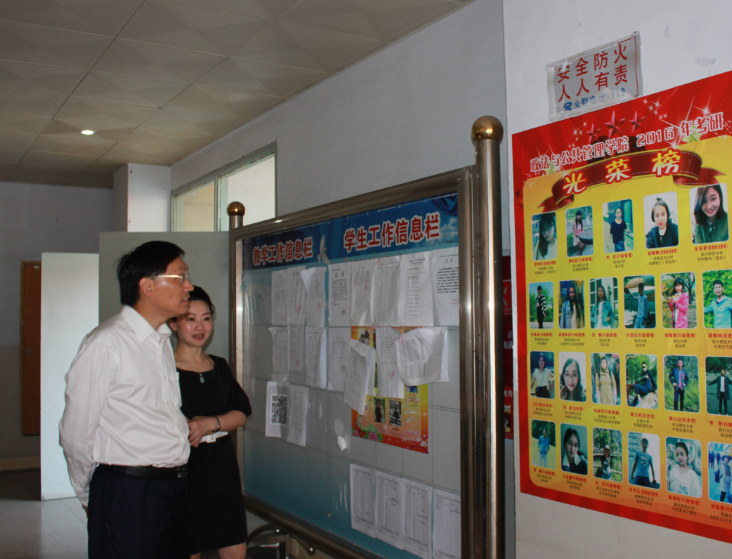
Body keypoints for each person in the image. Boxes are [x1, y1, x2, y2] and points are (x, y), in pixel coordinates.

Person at [59, 241, 194, 559]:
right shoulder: (106, 343)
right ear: (147, 286)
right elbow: (76, 433)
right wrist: (88, 493)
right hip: (128, 491)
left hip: (173, 489)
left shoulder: (161, 341)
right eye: (180, 277)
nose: (189, 286)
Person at [170, 287, 252, 559]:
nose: (200, 327)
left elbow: (241, 413)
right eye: (190, 319)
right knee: (189, 547)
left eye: (206, 318)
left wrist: (211, 424)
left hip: (222, 470)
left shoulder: (219, 365)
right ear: (173, 323)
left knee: (234, 548)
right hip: (185, 472)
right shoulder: (165, 368)